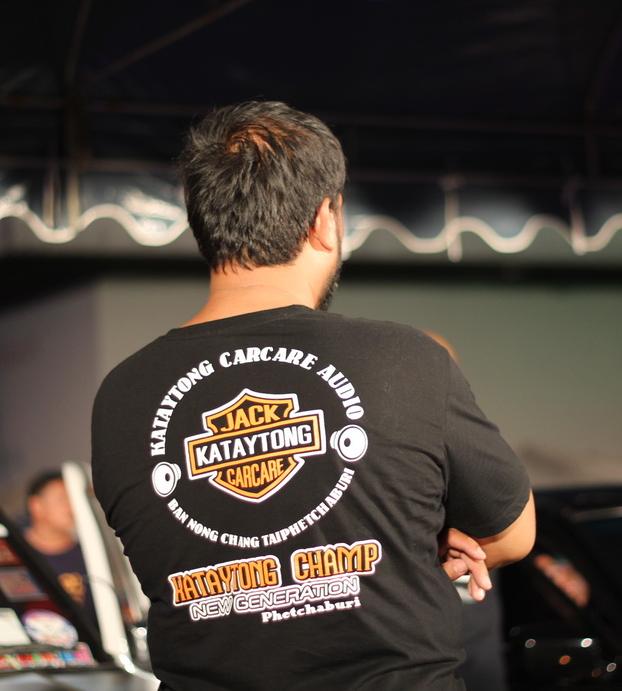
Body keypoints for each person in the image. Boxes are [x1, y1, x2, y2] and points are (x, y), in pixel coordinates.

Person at [91, 101, 535, 690]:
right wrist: (409, 547)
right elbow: (512, 533)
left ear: (204, 225)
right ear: (325, 218)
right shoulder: (405, 358)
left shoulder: (121, 396)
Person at [23, 471, 97, 624]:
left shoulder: (92, 556)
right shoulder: (11, 555)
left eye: (74, 497)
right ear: (36, 505)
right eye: (62, 497)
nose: (71, 505)